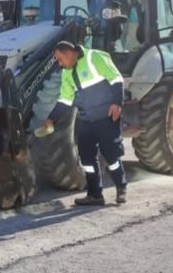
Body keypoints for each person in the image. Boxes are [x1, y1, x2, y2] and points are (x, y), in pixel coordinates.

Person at [42, 41, 128, 205]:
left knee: (111, 156)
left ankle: (121, 187)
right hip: (85, 119)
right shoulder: (66, 73)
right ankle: (95, 195)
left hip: (106, 116)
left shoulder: (94, 57)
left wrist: (117, 103)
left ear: (69, 53)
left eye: (60, 59)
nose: (59, 64)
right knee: (87, 159)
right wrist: (51, 118)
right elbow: (65, 100)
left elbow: (116, 78)